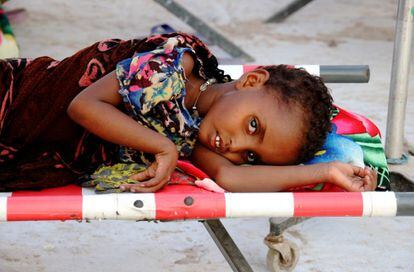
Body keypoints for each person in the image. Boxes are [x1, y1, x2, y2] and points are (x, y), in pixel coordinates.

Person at [0, 32, 379, 193]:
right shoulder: (175, 65)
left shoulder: (193, 129)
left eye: (251, 154)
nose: (235, 145)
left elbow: (228, 176)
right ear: (251, 81)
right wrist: (161, 148)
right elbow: (83, 105)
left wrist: (328, 170)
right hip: (14, 99)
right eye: (252, 126)